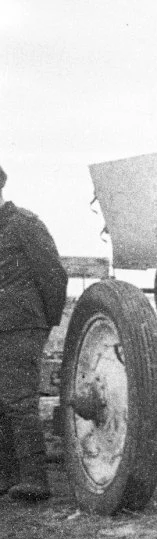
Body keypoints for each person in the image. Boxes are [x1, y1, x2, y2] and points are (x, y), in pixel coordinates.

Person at [0, 164, 68, 501]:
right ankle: (7, 478)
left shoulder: (24, 225)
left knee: (17, 399)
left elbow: (53, 275)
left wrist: (43, 321)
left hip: (21, 325)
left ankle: (34, 479)